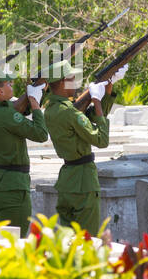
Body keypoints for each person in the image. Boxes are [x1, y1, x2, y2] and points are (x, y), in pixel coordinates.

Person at [41, 60, 126, 235]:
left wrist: (107, 92)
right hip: (83, 182)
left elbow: (90, 118)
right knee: (88, 241)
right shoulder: (70, 112)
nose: (76, 82)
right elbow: (101, 139)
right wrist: (95, 99)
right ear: (64, 82)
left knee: (68, 241)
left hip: (67, 181)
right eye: (72, 78)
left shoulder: (51, 109)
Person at [0, 72, 48, 235]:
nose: (11, 84)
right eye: (7, 83)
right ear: (0, 92)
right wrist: (35, 103)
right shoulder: (6, 115)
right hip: (12, 189)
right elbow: (41, 134)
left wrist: (40, 88)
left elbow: (17, 108)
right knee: (14, 244)